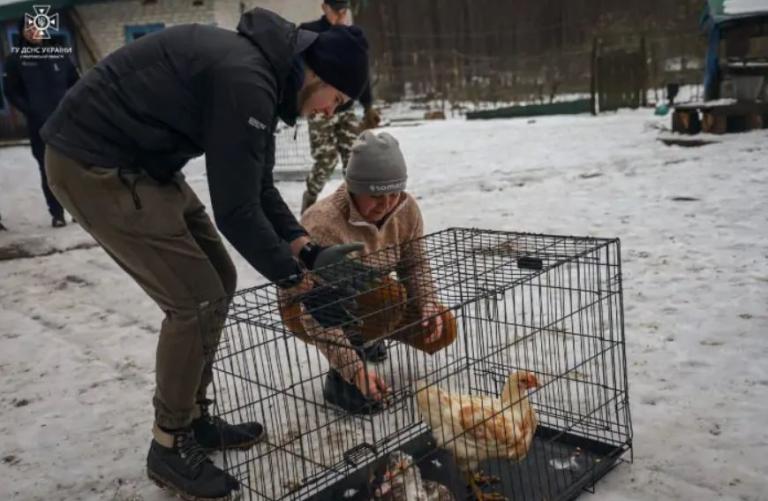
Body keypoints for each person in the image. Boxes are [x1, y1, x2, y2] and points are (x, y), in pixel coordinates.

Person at [41, 7, 370, 500]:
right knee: (193, 298)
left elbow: (257, 187)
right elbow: (236, 211)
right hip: (93, 161)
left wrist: (305, 251)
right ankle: (169, 443)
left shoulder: (268, 75)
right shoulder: (248, 81)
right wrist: (297, 284)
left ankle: (193, 418)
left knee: (220, 277)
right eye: (336, 99)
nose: (330, 112)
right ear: (317, 74)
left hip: (142, 161)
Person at [280, 131, 457, 414]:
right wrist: (353, 370)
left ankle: (369, 337)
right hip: (307, 309)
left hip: (372, 299)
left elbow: (415, 263)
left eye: (394, 193)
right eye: (375, 195)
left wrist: (427, 304)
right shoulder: (323, 224)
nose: (387, 204)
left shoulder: (406, 208)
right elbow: (314, 311)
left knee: (443, 327)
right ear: (353, 188)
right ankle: (341, 382)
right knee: (389, 297)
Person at [299, 0, 381, 213]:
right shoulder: (310, 33)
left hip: (346, 110)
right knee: (326, 159)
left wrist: (368, 105)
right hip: (320, 108)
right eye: (336, 11)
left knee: (354, 158)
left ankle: (355, 207)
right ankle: (310, 200)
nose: (340, 15)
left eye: (344, 11)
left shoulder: (351, 37)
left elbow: (361, 75)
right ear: (325, 8)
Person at [3, 18, 78, 227]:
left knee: (74, 167)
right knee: (48, 169)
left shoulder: (59, 54)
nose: (35, 32)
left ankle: (78, 210)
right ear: (23, 33)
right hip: (40, 126)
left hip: (66, 124)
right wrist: (31, 110)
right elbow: (11, 91)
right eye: (29, 29)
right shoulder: (15, 60)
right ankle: (57, 213)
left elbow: (76, 82)